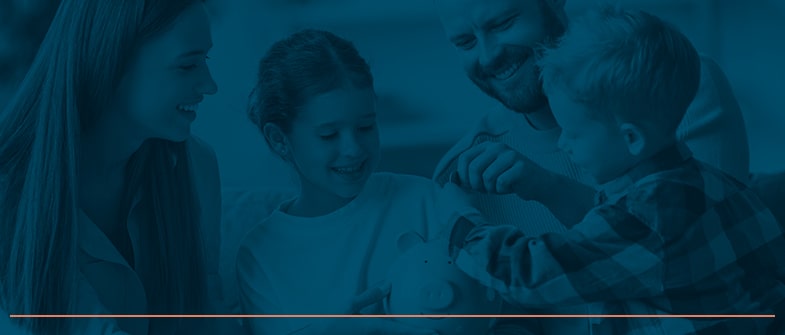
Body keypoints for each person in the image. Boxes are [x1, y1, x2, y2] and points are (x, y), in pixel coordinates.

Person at [445, 6, 785, 334]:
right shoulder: (712, 186)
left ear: (631, 138)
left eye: (573, 133)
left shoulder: (646, 218)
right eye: (464, 42)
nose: (563, 143)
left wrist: (458, 222)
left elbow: (529, 273)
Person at [0, 0, 224, 334]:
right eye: (188, 65)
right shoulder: (10, 194)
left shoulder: (195, 168)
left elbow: (206, 316)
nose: (210, 85)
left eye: (204, 60)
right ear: (113, 61)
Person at [236, 29, 475, 335]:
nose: (353, 148)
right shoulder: (260, 253)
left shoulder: (424, 200)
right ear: (280, 139)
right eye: (329, 135)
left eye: (365, 126)